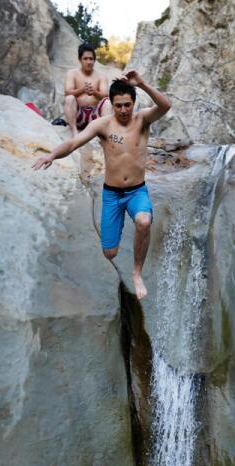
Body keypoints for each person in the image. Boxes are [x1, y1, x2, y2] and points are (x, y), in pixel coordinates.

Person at [32, 71, 171, 300]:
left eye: (127, 105)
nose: (124, 110)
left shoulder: (142, 119)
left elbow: (165, 106)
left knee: (144, 221)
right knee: (110, 252)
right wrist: (52, 155)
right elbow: (74, 142)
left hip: (137, 191)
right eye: (119, 106)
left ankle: (137, 274)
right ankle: (117, 228)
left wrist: (143, 83)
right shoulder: (102, 125)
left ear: (134, 103)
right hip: (112, 195)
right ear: (112, 104)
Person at [64, 43, 111, 135]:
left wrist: (94, 92)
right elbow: (67, 92)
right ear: (80, 60)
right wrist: (82, 90)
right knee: (69, 98)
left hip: (95, 117)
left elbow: (105, 95)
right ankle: (74, 132)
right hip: (78, 116)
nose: (88, 62)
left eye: (91, 59)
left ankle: (104, 134)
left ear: (94, 60)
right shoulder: (72, 73)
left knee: (107, 102)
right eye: (85, 59)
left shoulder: (101, 76)